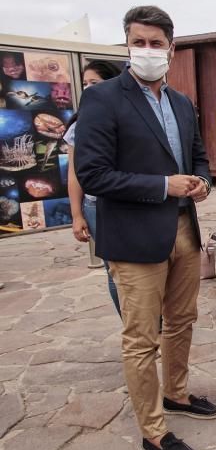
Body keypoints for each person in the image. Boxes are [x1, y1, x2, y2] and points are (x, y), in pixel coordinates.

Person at [75, 5, 216, 450]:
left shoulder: (180, 103)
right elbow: (93, 174)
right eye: (139, 42)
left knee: (182, 321)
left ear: (171, 49)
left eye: (157, 43)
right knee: (142, 337)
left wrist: (201, 182)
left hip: (183, 229)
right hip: (135, 236)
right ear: (127, 45)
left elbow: (198, 157)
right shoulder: (103, 99)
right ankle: (153, 431)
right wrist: (162, 186)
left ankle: (177, 393)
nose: (148, 51)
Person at [64, 60, 122, 317]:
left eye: (94, 83)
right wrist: (77, 215)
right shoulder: (79, 124)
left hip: (130, 201)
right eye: (85, 84)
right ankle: (132, 326)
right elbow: (75, 173)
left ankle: (155, 323)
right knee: (114, 269)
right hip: (97, 205)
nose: (88, 89)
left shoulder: (129, 117)